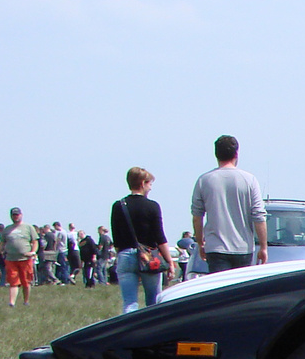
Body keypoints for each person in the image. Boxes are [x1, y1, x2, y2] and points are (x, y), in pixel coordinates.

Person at [191, 134, 267, 272]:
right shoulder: (249, 180)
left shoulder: (204, 180)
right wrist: (263, 247)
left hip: (216, 247)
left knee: (220, 290)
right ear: (236, 153)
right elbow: (259, 216)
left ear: (216, 154)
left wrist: (200, 243)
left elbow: (197, 216)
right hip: (243, 247)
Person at [111, 166, 176, 313]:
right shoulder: (152, 206)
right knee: (153, 302)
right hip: (149, 257)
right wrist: (170, 262)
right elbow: (160, 237)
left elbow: (116, 238)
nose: (150, 188)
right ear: (142, 183)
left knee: (129, 303)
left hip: (125, 255)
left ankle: (131, 332)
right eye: (150, 184)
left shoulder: (118, 206)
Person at [0, 208, 36, 307]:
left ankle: (26, 301)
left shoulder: (28, 227)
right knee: (13, 282)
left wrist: (33, 252)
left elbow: (35, 241)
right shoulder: (7, 229)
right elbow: (2, 243)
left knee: (26, 282)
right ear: (11, 216)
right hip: (10, 259)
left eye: (17, 215)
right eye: (14, 215)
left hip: (25, 259)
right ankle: (12, 303)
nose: (16, 216)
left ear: (21, 215)